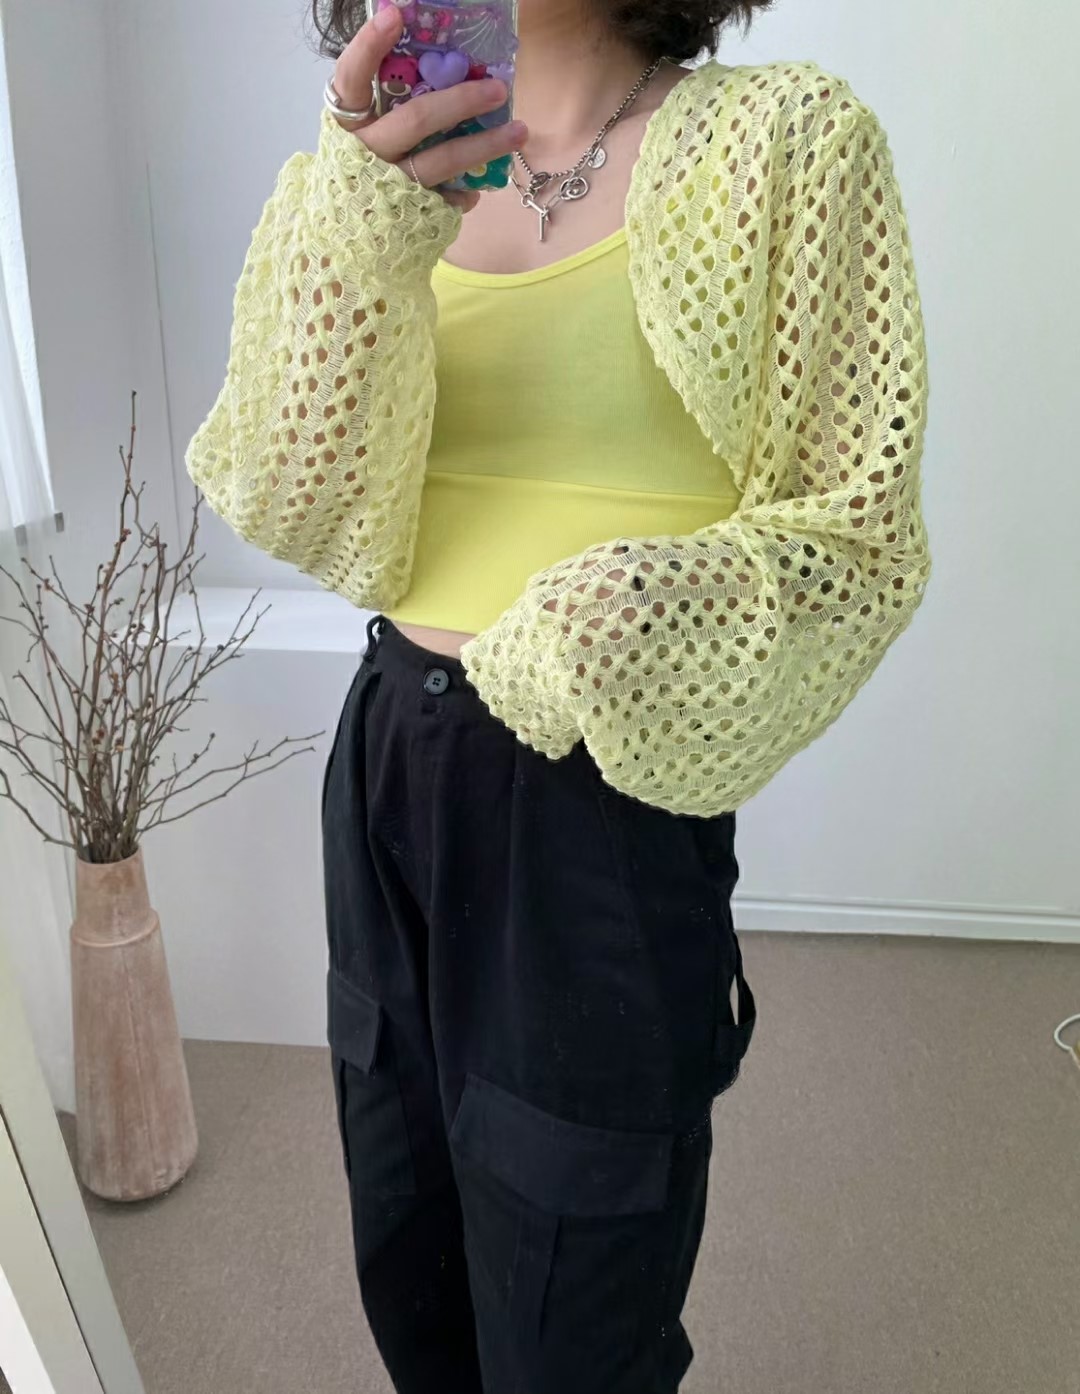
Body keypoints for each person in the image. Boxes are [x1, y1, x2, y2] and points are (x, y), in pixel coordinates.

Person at [184, 0, 931, 1386]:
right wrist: (357, 220)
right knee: (408, 1241)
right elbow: (288, 500)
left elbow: (859, 540)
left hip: (598, 796)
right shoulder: (373, 168)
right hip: (390, 754)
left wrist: (600, 620)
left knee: (577, 1297)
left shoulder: (790, 142)